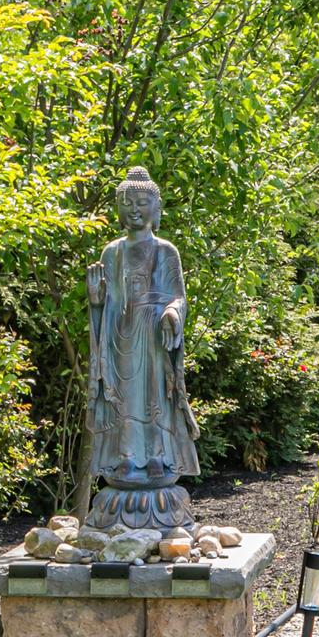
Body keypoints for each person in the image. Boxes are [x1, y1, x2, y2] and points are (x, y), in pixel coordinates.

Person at [87, 168, 201, 494]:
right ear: (119, 210)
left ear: (156, 208)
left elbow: (179, 296)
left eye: (142, 202)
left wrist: (171, 313)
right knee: (124, 400)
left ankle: (158, 456)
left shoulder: (166, 251)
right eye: (127, 203)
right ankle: (126, 456)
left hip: (153, 337)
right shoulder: (112, 252)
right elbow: (109, 302)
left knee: (156, 398)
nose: (135, 209)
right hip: (121, 334)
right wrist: (96, 301)